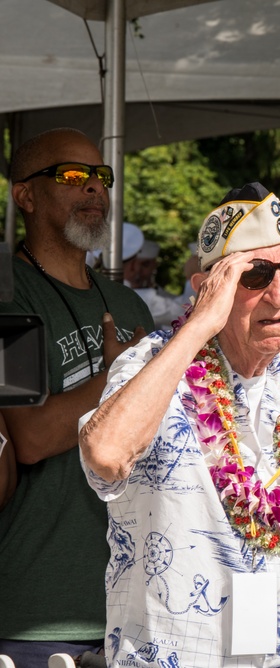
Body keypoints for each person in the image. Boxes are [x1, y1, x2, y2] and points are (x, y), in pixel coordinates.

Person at [78, 183, 280, 667]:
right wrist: (200, 325)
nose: (279, 295)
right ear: (208, 288)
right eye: (255, 276)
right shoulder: (150, 365)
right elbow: (105, 456)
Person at [0, 128, 153, 666]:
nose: (93, 188)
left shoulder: (129, 305)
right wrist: (115, 381)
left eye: (100, 177)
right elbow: (31, 436)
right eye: (71, 175)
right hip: (40, 607)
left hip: (136, 604)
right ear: (26, 195)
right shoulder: (8, 294)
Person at [124, 235, 188, 330]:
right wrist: (192, 278)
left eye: (145, 264)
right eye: (134, 264)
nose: (138, 270)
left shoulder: (161, 295)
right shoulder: (141, 297)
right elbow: (187, 312)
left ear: (155, 265)